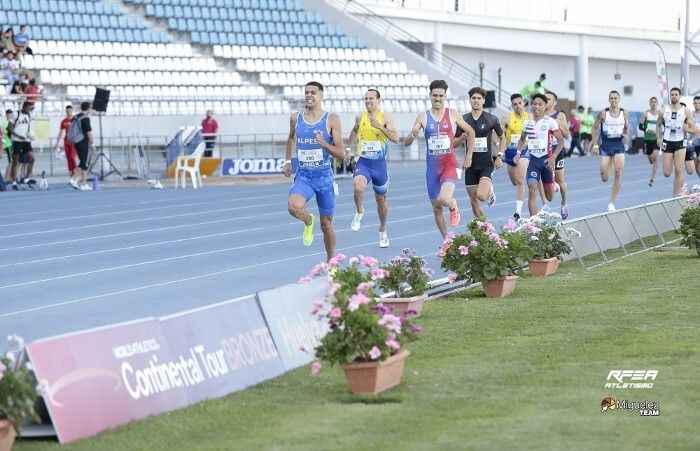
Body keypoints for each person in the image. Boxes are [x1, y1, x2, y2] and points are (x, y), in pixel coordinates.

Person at [404, 79, 475, 238]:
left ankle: (453, 205)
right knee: (436, 207)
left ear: (445, 96)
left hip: (450, 164)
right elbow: (407, 144)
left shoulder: (453, 114)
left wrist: (469, 155)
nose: (437, 98)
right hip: (432, 168)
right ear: (430, 96)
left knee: (444, 198)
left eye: (441, 95)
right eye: (435, 95)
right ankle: (447, 240)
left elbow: (471, 132)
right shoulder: (422, 117)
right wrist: (413, 134)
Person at [282, 81, 345, 261]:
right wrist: (287, 160)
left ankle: (331, 260)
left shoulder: (332, 119)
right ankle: (308, 220)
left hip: (324, 178)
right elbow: (291, 138)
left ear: (321, 95)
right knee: (293, 206)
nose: (309, 95)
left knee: (326, 225)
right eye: (306, 92)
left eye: (313, 92)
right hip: (304, 177)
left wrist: (324, 143)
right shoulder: (296, 118)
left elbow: (341, 152)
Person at [346, 89, 399, 248]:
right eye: (366, 98)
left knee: (381, 200)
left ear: (378, 100)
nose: (368, 101)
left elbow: (395, 138)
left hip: (380, 166)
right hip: (364, 162)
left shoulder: (385, 116)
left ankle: (382, 230)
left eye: (371, 98)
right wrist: (348, 150)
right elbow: (355, 131)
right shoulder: (360, 116)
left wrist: (380, 127)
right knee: (358, 187)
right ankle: (360, 211)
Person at [455, 86, 504, 219]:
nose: (476, 100)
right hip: (470, 165)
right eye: (473, 98)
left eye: (479, 98)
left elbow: (502, 137)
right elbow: (454, 144)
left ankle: (489, 190)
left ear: (483, 101)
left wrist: (500, 156)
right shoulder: (463, 120)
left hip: (486, 164)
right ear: (470, 101)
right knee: (474, 202)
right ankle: (486, 229)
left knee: (481, 196)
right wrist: (463, 137)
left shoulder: (491, 119)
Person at [515, 93, 565, 216]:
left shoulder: (550, 122)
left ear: (545, 106)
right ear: (531, 105)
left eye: (540, 104)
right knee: (532, 190)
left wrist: (553, 157)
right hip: (533, 162)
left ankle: (555, 186)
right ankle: (533, 221)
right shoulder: (527, 123)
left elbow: (561, 141)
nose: (536, 106)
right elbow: (522, 139)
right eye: (534, 103)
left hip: (547, 161)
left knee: (550, 197)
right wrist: (518, 153)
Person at [591, 90, 629, 212]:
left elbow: (626, 127)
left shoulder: (624, 113)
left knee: (618, 173)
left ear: (619, 99)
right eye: (611, 98)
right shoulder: (603, 113)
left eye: (615, 98)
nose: (613, 100)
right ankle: (609, 165)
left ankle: (612, 202)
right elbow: (594, 128)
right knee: (605, 177)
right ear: (609, 100)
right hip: (606, 146)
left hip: (618, 145)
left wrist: (627, 134)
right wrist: (595, 145)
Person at [655, 87, 695, 196]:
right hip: (667, 142)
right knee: (667, 173)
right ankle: (680, 183)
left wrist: (688, 130)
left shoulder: (686, 112)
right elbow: (658, 125)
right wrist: (658, 138)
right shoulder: (663, 110)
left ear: (679, 96)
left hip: (680, 143)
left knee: (678, 170)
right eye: (672, 94)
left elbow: (693, 128)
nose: (673, 96)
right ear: (670, 96)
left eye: (676, 94)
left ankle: (675, 194)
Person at [502, 93, 530, 220]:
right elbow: (496, 133)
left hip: (524, 151)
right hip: (510, 152)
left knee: (520, 181)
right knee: (514, 182)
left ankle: (518, 212)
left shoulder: (530, 117)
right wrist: (499, 146)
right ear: (512, 105)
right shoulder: (507, 118)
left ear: (523, 103)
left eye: (520, 103)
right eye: (515, 104)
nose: (518, 106)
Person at [544, 91, 571, 219]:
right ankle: (545, 205)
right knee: (542, 180)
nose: (546, 101)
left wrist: (558, 123)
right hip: (543, 152)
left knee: (560, 181)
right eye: (545, 99)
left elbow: (567, 134)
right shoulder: (538, 115)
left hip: (557, 151)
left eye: (549, 99)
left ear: (554, 102)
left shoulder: (559, 115)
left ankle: (564, 202)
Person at [68, 102, 96, 191]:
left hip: (76, 142)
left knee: (83, 162)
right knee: (85, 162)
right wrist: (93, 144)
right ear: (88, 109)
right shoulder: (85, 119)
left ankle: (82, 182)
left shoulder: (76, 117)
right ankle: (77, 180)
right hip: (83, 142)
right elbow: (89, 132)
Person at [8, 101, 35, 189]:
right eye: (28, 108)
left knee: (31, 158)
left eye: (31, 108)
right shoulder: (16, 115)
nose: (29, 110)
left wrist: (29, 135)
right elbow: (10, 128)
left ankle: (26, 178)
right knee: (16, 162)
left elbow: (28, 128)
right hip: (16, 141)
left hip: (26, 141)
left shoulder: (29, 115)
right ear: (24, 107)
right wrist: (19, 136)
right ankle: (14, 181)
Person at [53, 105, 79, 180]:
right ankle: (71, 174)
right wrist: (57, 143)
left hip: (74, 142)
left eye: (70, 111)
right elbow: (61, 133)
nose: (69, 113)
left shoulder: (75, 120)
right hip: (66, 142)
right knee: (69, 159)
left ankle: (75, 173)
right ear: (66, 111)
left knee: (72, 158)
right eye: (67, 111)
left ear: (72, 111)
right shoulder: (64, 121)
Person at [639, 97, 660, 186]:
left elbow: (665, 125)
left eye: (655, 102)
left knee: (655, 158)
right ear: (649, 103)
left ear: (657, 103)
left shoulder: (660, 114)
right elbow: (640, 126)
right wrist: (647, 129)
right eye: (652, 102)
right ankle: (650, 158)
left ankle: (652, 179)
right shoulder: (646, 114)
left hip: (656, 139)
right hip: (647, 140)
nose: (653, 104)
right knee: (651, 159)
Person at [2, 109, 12, 183]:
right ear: (6, 115)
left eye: (11, 114)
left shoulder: (10, 122)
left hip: (9, 143)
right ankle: (7, 178)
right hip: (8, 144)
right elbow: (4, 133)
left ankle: (9, 177)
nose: (10, 115)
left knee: (12, 162)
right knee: (11, 162)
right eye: (8, 114)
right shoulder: (5, 122)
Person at [692, 96, 700, 177]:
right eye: (696, 103)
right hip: (694, 143)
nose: (697, 105)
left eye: (699, 103)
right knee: (696, 164)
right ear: (693, 104)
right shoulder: (691, 115)